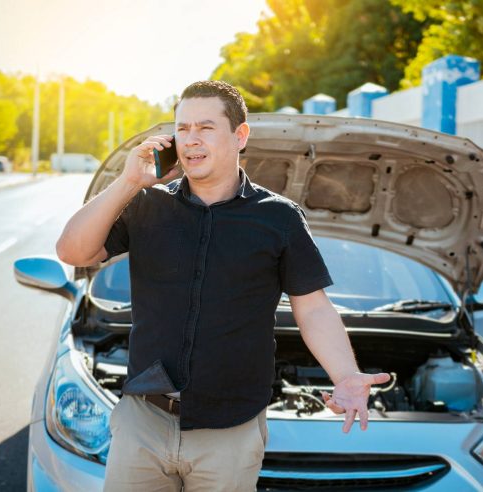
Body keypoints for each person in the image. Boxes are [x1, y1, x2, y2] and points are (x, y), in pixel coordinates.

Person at [55, 80, 391, 492]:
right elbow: (73, 252)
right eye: (182, 129)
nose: (191, 140)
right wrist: (127, 182)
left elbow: (313, 307)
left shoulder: (278, 219)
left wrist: (346, 374)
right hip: (143, 419)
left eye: (206, 128)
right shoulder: (147, 204)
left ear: (240, 135)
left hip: (230, 430)